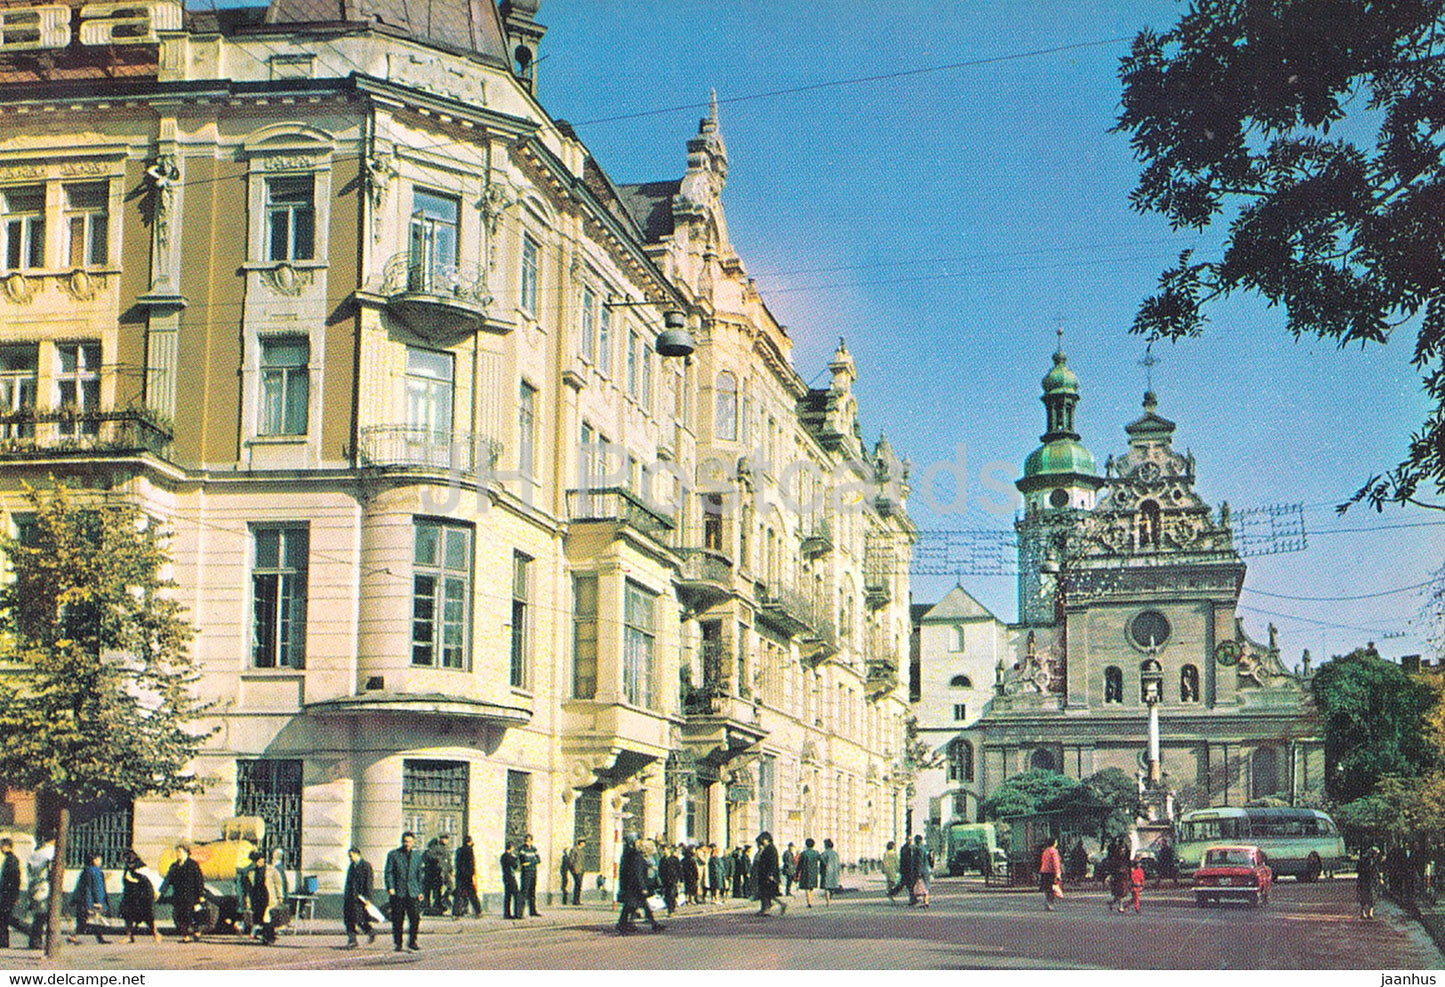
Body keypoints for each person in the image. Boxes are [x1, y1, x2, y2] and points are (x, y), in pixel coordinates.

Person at [383, 831, 424, 952]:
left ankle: (412, 941)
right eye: (405, 841)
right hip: (398, 893)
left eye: (410, 842)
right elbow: (388, 872)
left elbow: (419, 874)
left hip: (413, 892)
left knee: (415, 918)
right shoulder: (394, 855)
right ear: (402, 841)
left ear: (413, 842)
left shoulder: (417, 855)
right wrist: (390, 887)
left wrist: (420, 891)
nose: (407, 844)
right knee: (397, 919)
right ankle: (398, 943)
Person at [615, 835, 664, 934]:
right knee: (632, 906)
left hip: (632, 885)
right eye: (637, 842)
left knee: (637, 906)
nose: (639, 844)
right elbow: (638, 873)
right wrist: (642, 886)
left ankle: (624, 924)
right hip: (635, 886)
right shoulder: (635, 856)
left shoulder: (630, 854)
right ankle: (623, 924)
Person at [164, 843, 205, 943]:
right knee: (181, 916)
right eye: (177, 852)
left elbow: (199, 881)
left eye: (180, 852)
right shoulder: (174, 866)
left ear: (186, 853)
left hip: (192, 895)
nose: (178, 854)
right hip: (179, 895)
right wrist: (161, 891)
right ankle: (185, 936)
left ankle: (196, 931)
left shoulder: (193, 865)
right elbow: (168, 880)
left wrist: (200, 895)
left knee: (192, 915)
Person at [67, 852, 109, 945]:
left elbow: (79, 886)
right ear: (94, 860)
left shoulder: (85, 871)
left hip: (83, 900)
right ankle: (74, 936)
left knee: (87, 920)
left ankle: (99, 938)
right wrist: (99, 901)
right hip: (91, 901)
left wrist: (74, 899)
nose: (100, 861)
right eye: (99, 859)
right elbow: (98, 888)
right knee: (91, 920)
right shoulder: (96, 872)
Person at [119, 851, 160, 944]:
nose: (127, 863)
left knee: (148, 917)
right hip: (130, 896)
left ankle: (156, 934)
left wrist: (155, 892)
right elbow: (125, 880)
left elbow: (149, 881)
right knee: (128, 916)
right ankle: (128, 936)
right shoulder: (127, 868)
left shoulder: (142, 867)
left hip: (143, 896)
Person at [25, 836, 54, 950]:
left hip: (35, 886)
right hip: (45, 888)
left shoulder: (37, 853)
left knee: (38, 916)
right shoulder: (51, 852)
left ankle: (35, 940)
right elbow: (51, 871)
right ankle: (37, 941)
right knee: (43, 916)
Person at [343, 847, 375, 948]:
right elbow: (348, 882)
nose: (350, 858)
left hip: (360, 898)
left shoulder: (366, 866)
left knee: (359, 919)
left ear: (357, 855)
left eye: (351, 856)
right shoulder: (352, 867)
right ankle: (352, 940)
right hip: (350, 897)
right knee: (348, 919)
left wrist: (368, 899)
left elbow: (369, 883)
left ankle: (370, 931)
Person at [256, 851, 285, 945]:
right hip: (259, 898)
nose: (257, 863)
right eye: (256, 861)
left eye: (259, 860)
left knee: (267, 918)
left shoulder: (271, 870)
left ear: (263, 860)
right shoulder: (254, 871)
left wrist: (280, 895)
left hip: (269, 897)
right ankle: (268, 937)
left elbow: (278, 883)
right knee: (263, 919)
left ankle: (269, 937)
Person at [754, 832, 786, 916]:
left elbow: (772, 862)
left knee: (766, 893)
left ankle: (767, 909)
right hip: (765, 874)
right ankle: (767, 907)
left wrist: (771, 874)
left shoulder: (770, 849)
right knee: (768, 893)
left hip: (767, 874)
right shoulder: (768, 848)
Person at [422, 835, 452, 916]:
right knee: (436, 892)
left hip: (434, 874)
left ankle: (433, 907)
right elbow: (445, 863)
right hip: (437, 874)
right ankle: (437, 906)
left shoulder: (429, 852)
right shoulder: (440, 851)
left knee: (430, 893)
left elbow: (423, 862)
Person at [0, 837, 22, 949]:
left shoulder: (11, 860)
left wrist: (14, 895)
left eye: (2, 846)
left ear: (7, 846)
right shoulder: (9, 859)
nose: (0, 848)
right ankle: (3, 941)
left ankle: (3, 942)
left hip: (8, 894)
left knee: (6, 919)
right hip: (7, 893)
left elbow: (14, 879)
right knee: (5, 918)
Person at [453, 836, 480, 918]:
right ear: (469, 842)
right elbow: (471, 864)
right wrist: (472, 874)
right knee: (472, 894)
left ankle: (456, 913)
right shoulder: (469, 850)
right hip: (468, 876)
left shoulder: (459, 850)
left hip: (460, 875)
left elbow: (457, 863)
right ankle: (478, 911)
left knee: (458, 895)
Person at [518, 834, 541, 917]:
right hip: (526, 872)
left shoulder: (534, 849)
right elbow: (523, 859)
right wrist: (532, 861)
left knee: (532, 892)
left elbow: (538, 860)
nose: (527, 842)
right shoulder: (522, 849)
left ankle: (533, 911)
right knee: (524, 891)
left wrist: (530, 862)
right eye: (526, 841)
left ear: (532, 841)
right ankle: (520, 912)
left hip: (533, 872)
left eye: (529, 841)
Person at [1038, 837, 1063, 911]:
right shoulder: (1054, 851)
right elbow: (1056, 863)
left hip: (1044, 871)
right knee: (1052, 889)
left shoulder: (1045, 851)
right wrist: (1058, 873)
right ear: (1054, 843)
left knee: (1047, 888)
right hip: (1051, 872)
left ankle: (1047, 902)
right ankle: (1050, 903)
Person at [559, 839, 586, 906]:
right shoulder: (574, 850)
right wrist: (573, 868)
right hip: (576, 870)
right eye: (583, 843)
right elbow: (571, 860)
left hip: (581, 869)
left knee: (579, 885)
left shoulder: (582, 851)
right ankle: (575, 900)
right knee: (577, 884)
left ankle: (577, 900)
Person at [907, 835, 932, 908]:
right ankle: (925, 901)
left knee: (914, 885)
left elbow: (919, 861)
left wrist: (918, 872)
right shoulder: (923, 848)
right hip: (925, 870)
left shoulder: (918, 849)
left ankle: (914, 900)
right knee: (925, 885)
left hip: (919, 870)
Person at [796, 838, 822, 908]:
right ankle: (810, 900)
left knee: (807, 887)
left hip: (805, 872)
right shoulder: (816, 853)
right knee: (811, 887)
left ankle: (809, 902)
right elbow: (820, 859)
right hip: (813, 872)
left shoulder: (803, 853)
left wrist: (797, 872)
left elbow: (799, 864)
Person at [1358, 846, 1382, 919]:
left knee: (1370, 896)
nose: (1376, 856)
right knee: (1367, 896)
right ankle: (1365, 912)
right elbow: (1374, 870)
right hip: (1367, 880)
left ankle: (1368, 912)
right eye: (1375, 854)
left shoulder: (1371, 860)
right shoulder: (1367, 860)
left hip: (1367, 880)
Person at [500, 841, 522, 920]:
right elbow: (515, 866)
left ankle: (507, 913)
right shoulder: (510, 857)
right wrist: (515, 859)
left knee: (507, 895)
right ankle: (517, 913)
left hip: (505, 876)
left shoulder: (503, 856)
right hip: (510, 877)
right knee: (516, 894)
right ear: (511, 848)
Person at [659, 844, 680, 916]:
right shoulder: (662, 860)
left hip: (673, 879)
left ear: (669, 850)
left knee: (672, 894)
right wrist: (660, 879)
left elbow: (679, 869)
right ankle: (670, 909)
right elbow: (660, 870)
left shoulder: (674, 859)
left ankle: (672, 909)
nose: (664, 851)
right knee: (667, 896)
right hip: (665, 880)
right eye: (663, 850)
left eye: (665, 850)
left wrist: (681, 880)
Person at [820, 838, 842, 907]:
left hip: (827, 871)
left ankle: (828, 901)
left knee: (826, 887)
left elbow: (822, 861)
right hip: (835, 872)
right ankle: (830, 898)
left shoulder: (824, 853)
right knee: (833, 887)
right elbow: (838, 863)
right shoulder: (835, 854)